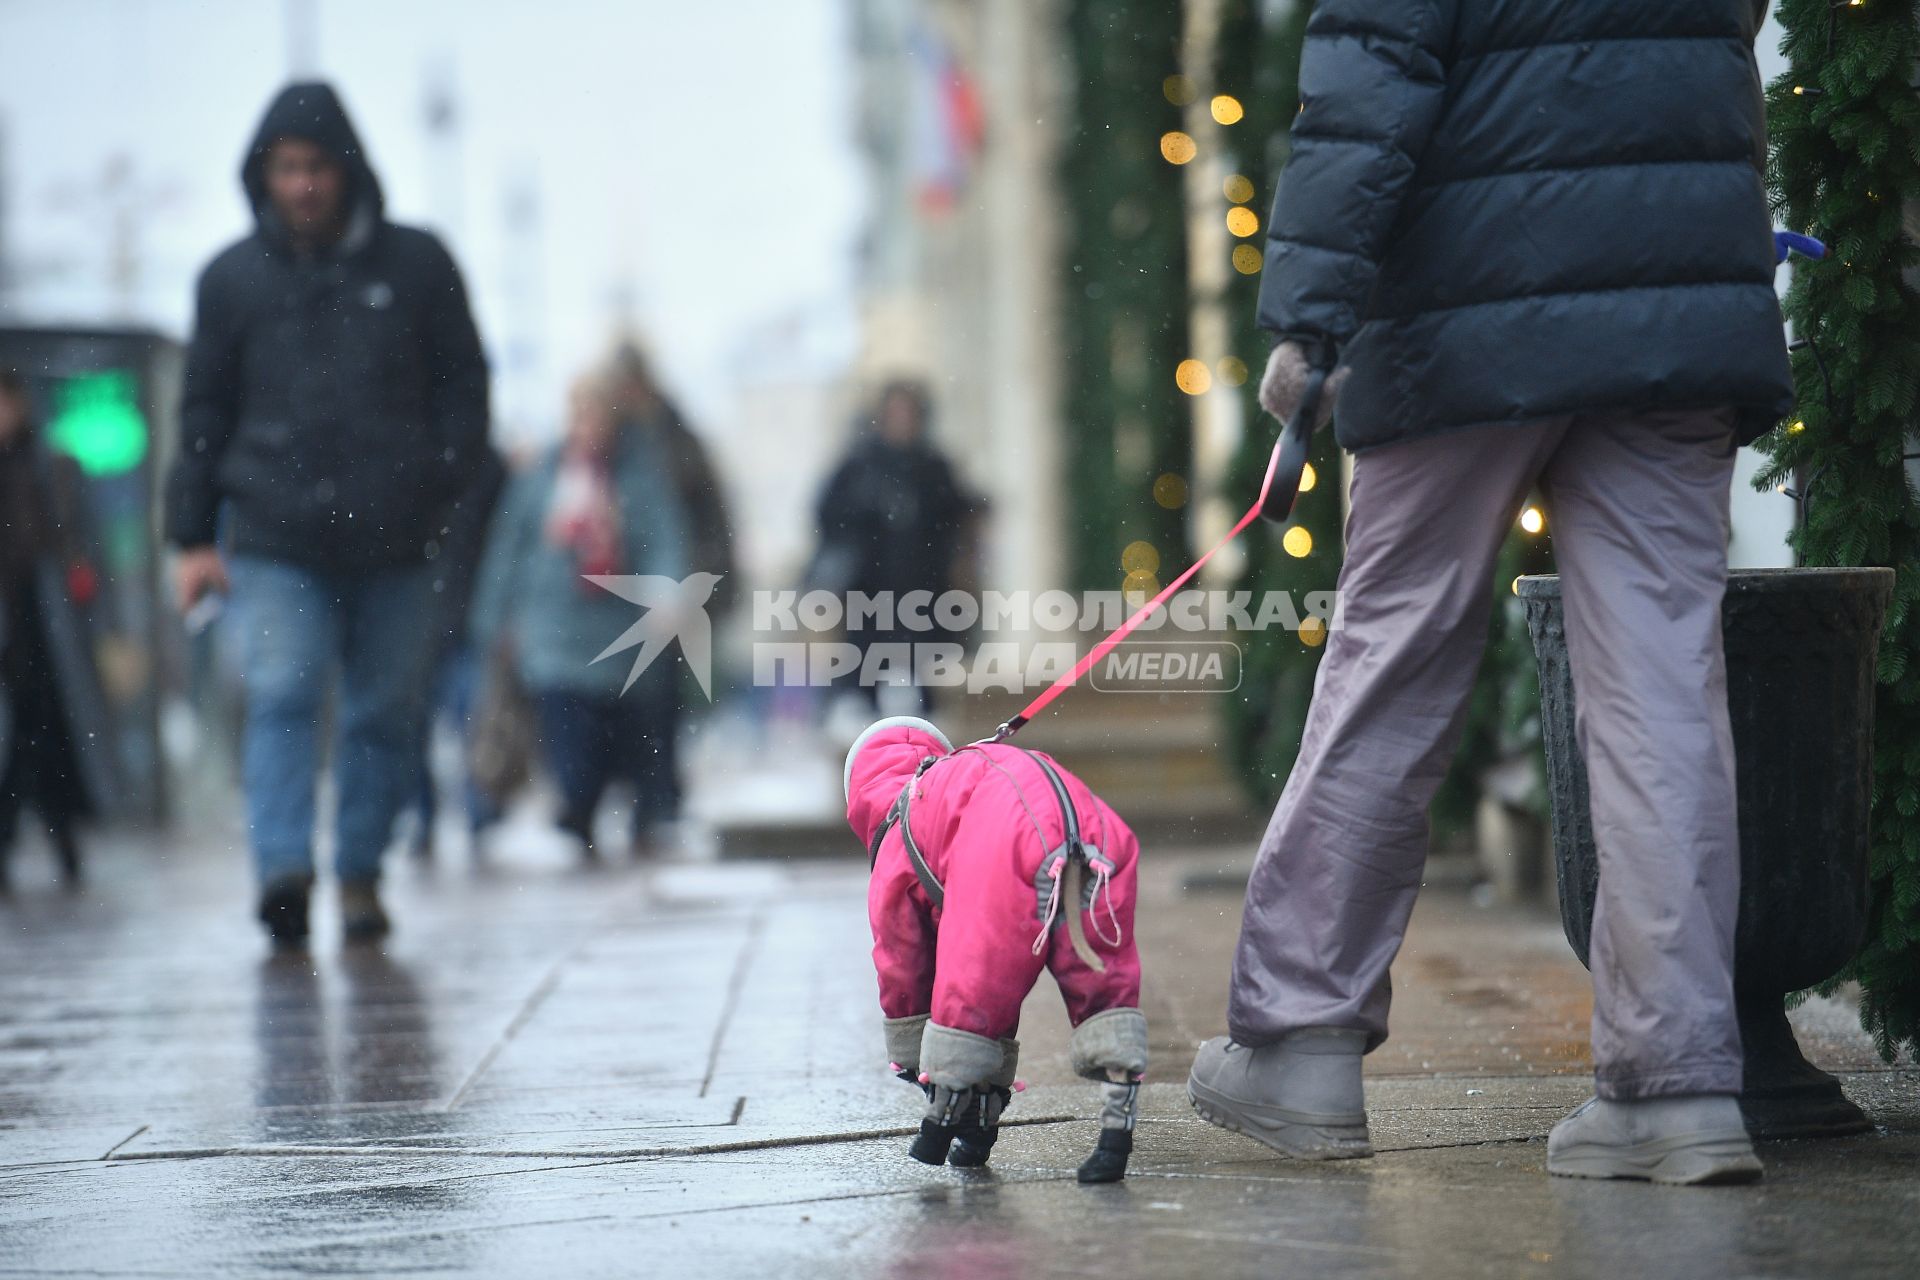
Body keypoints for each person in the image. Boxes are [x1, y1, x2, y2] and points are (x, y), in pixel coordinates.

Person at [1186, 0, 1793, 1187]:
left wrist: (1308, 320)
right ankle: (1679, 1087)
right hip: (1677, 296)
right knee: (1665, 687)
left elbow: (1367, 85)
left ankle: (1305, 1036)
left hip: (1466, 313)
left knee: (1395, 661)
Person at [165, 83, 489, 946]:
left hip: (398, 539)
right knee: (282, 691)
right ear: (263, 175)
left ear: (345, 169)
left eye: (315, 166)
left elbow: (466, 391)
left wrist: (441, 482)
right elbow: (202, 415)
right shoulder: (230, 282)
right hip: (274, 539)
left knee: (385, 708)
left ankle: (357, 874)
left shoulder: (418, 266)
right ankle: (282, 870)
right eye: (286, 168)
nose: (302, 184)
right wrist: (191, 537)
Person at [843, 715, 1147, 1182]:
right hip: (1089, 826)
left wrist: (913, 1054)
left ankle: (948, 1120)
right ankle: (1116, 1131)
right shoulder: (955, 784)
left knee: (977, 973)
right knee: (1104, 977)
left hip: (1011, 830)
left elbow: (902, 960)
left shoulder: (900, 823)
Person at [470, 373, 690, 859]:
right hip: (553, 632)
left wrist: (667, 595)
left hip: (623, 633)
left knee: (624, 738)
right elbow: (508, 550)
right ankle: (576, 812)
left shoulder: (639, 476)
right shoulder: (541, 477)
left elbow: (664, 539)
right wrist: (494, 620)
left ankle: (624, 812)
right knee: (570, 740)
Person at [607, 343, 733, 835]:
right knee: (634, 695)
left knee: (664, 699)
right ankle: (647, 792)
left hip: (683, 588)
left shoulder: (678, 441)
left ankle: (659, 795)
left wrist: (711, 585)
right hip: (626, 593)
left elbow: (714, 521)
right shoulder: (616, 444)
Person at [0, 369, 116, 890]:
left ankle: (65, 843)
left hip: (45, 634)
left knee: (50, 745)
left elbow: (84, 548)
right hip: (16, 632)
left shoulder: (52, 467)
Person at [811, 381, 970, 716]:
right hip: (869, 594)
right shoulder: (858, 468)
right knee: (862, 685)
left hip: (926, 595)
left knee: (930, 684)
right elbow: (829, 517)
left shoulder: (934, 469)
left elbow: (956, 520)